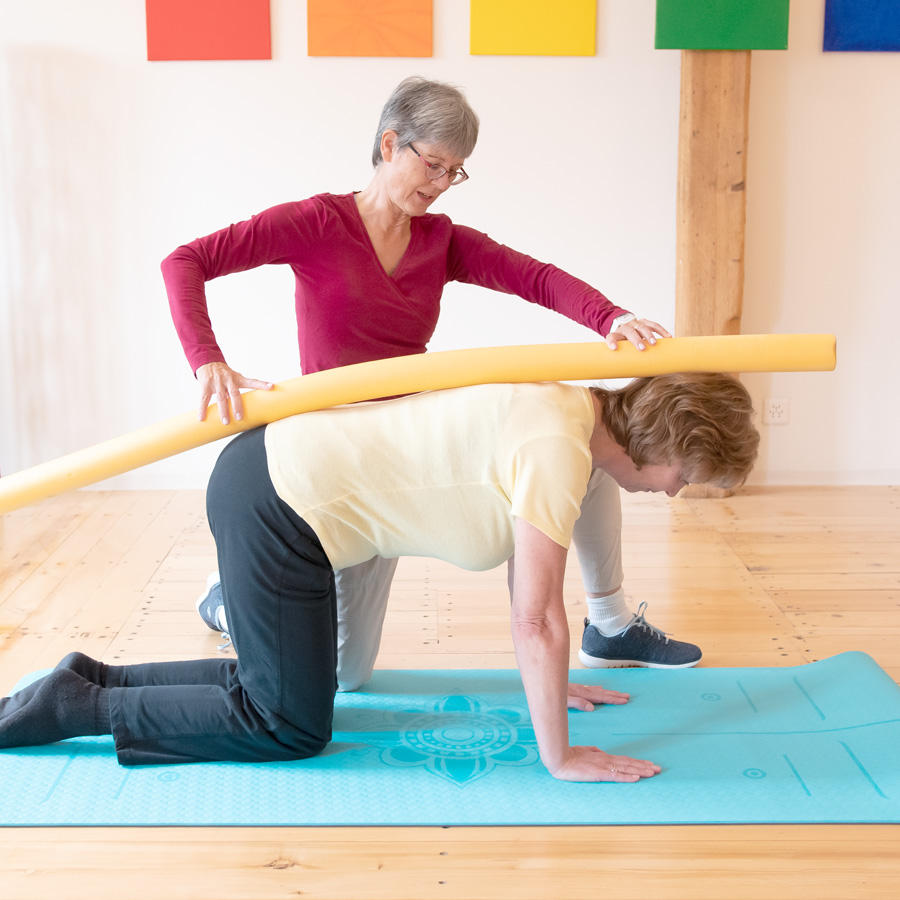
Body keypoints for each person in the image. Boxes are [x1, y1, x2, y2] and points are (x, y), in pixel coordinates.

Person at [162, 75, 694, 691]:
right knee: (346, 675)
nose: (442, 185)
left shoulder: (440, 243)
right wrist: (208, 358)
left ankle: (610, 621)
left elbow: (535, 277)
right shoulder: (315, 222)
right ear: (390, 145)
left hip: (409, 441)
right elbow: (185, 261)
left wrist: (612, 318)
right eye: (434, 165)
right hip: (338, 455)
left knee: (588, 441)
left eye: (456, 172)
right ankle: (231, 598)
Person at [0, 373, 759, 778]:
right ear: (668, 439)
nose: (675, 490)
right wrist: (557, 758)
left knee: (275, 692)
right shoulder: (559, 449)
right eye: (686, 474)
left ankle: (87, 679)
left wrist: (549, 687)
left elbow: (529, 599)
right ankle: (72, 709)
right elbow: (537, 621)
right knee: (289, 725)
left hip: (273, 483)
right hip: (280, 506)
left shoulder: (568, 416)